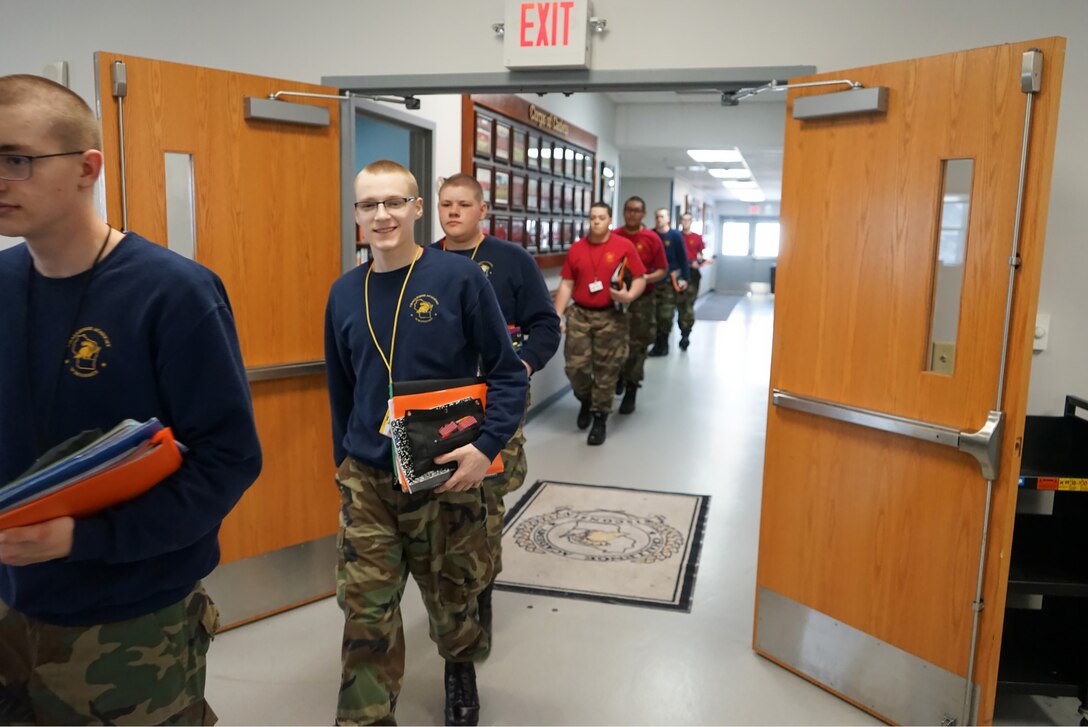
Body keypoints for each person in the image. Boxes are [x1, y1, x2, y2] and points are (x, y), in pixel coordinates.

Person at [0, 74, 262, 725]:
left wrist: (84, 537)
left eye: (16, 160)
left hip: (132, 624)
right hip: (10, 611)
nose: (0, 179)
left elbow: (228, 460)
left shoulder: (174, 294)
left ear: (87, 167)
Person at [325, 160, 528, 726]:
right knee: (366, 612)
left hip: (443, 473)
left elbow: (508, 375)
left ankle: (459, 664)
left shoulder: (459, 280)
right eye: (369, 205)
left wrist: (487, 448)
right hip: (368, 481)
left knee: (452, 602)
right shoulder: (345, 293)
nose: (382, 215)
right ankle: (366, 716)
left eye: (395, 202)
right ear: (357, 216)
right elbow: (341, 391)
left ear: (418, 208)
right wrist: (342, 464)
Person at [432, 172, 560, 644]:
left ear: (483, 210)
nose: (453, 213)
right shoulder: (423, 260)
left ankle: (479, 587)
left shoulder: (511, 261)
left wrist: (522, 365)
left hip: (497, 397)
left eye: (463, 205)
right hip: (438, 404)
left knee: (484, 499)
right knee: (439, 498)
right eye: (446, 204)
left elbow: (546, 325)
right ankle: (450, 595)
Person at [553, 202, 646, 445]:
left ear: (609, 220)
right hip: (580, 315)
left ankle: (599, 418)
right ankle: (585, 399)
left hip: (611, 316)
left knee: (607, 371)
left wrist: (629, 295)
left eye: (601, 217)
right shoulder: (577, 249)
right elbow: (566, 284)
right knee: (575, 368)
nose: (596, 222)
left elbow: (640, 278)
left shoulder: (623, 246)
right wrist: (557, 314)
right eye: (593, 217)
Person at [612, 196, 667, 414]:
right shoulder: (614, 236)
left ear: (643, 214)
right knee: (615, 343)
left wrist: (643, 279)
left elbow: (662, 269)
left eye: (637, 210)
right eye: (629, 210)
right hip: (615, 297)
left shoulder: (651, 238)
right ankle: (618, 377)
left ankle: (632, 388)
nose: (632, 214)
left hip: (642, 300)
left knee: (637, 345)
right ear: (624, 212)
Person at [648, 207, 691, 357]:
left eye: (662, 217)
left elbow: (683, 258)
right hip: (652, 281)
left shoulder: (675, 236)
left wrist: (685, 278)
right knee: (653, 315)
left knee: (665, 314)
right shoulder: (651, 234)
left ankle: (663, 343)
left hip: (669, 282)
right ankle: (657, 343)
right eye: (657, 216)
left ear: (668, 219)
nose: (659, 219)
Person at [677, 212, 707, 351]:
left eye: (688, 220)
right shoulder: (676, 236)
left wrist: (698, 261)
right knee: (678, 304)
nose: (686, 222)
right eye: (683, 220)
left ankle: (685, 334)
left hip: (692, 275)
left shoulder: (697, 237)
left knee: (688, 305)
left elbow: (701, 255)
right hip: (677, 274)